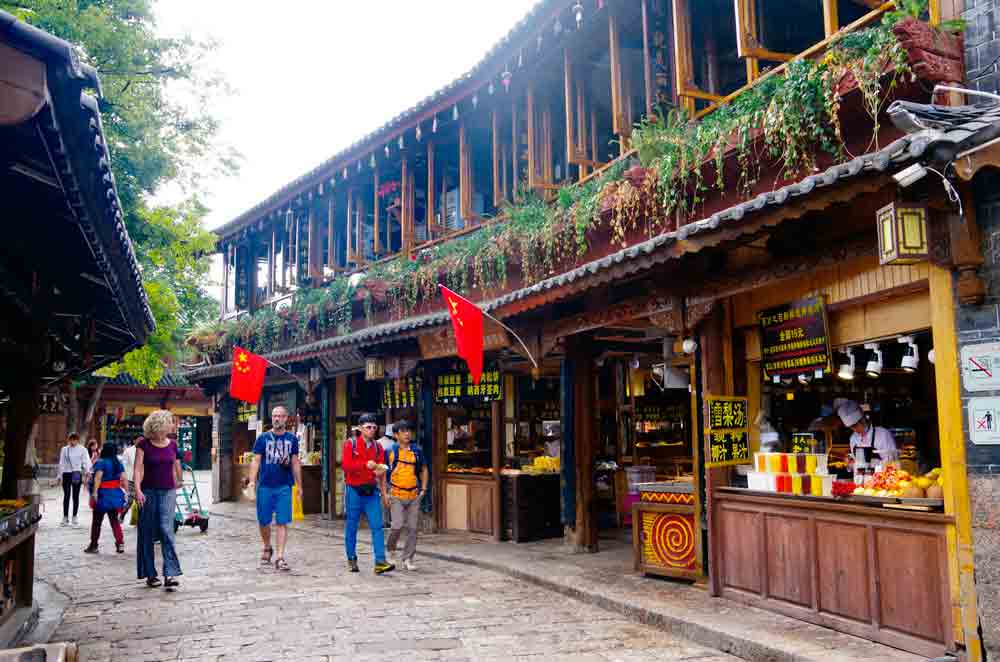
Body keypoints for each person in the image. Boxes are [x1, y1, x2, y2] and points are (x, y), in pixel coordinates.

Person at [247, 406, 302, 572]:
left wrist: (299, 485)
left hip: (284, 486)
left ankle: (280, 556)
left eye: (280, 416)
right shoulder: (262, 438)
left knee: (282, 522)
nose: (277, 419)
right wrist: (251, 482)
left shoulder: (292, 439)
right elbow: (256, 461)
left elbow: (295, 462)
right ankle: (266, 546)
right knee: (264, 521)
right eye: (274, 416)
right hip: (265, 486)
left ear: (286, 418)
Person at [134, 410, 183, 589]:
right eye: (170, 422)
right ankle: (149, 573)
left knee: (166, 530)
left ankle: (170, 573)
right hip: (148, 491)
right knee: (147, 531)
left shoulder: (173, 445)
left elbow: (175, 464)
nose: (173, 425)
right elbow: (138, 469)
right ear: (160, 425)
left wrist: (179, 480)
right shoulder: (143, 444)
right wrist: (138, 490)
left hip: (167, 492)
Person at [342, 413, 394, 575]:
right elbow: (346, 466)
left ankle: (380, 561)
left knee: (377, 526)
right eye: (368, 427)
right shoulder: (351, 444)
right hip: (354, 491)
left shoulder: (378, 447)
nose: (372, 430)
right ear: (360, 428)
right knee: (352, 526)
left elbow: (381, 471)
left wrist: (384, 493)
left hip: (372, 491)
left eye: (374, 427)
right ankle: (351, 558)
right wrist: (365, 464)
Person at [385, 420, 428, 571]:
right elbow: (383, 473)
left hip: (414, 494)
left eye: (409, 431)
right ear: (396, 435)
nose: (407, 434)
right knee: (396, 525)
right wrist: (384, 493)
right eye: (403, 431)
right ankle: (390, 550)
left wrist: (423, 489)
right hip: (396, 494)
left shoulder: (417, 451)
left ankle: (408, 558)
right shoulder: (390, 452)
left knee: (413, 528)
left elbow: (423, 469)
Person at [85, 444, 127, 554]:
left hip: (103, 495)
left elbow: (98, 477)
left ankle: (94, 545)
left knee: (97, 522)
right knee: (114, 521)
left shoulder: (101, 462)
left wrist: (94, 492)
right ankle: (120, 543)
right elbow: (124, 478)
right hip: (115, 494)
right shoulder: (118, 463)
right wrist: (126, 492)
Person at [837, 400, 898, 467]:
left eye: (855, 425)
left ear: (862, 419)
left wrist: (871, 466)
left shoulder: (883, 434)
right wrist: (850, 463)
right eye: (851, 427)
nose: (854, 429)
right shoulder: (853, 439)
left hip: (882, 475)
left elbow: (892, 461)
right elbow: (856, 465)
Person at [56, 433, 90, 526]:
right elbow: (61, 463)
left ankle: (74, 516)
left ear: (77, 440)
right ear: (68, 440)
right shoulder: (64, 449)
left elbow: (86, 461)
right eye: (71, 439)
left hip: (76, 474)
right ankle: (65, 517)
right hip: (66, 474)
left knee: (75, 496)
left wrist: (87, 471)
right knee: (66, 495)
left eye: (74, 439)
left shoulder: (82, 449)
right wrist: (59, 476)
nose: (73, 441)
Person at [121, 438, 137, 523]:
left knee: (141, 500)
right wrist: (124, 478)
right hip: (131, 478)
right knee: (130, 500)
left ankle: (140, 519)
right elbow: (124, 464)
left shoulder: (146, 449)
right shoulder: (128, 451)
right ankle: (123, 514)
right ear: (134, 441)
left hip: (142, 479)